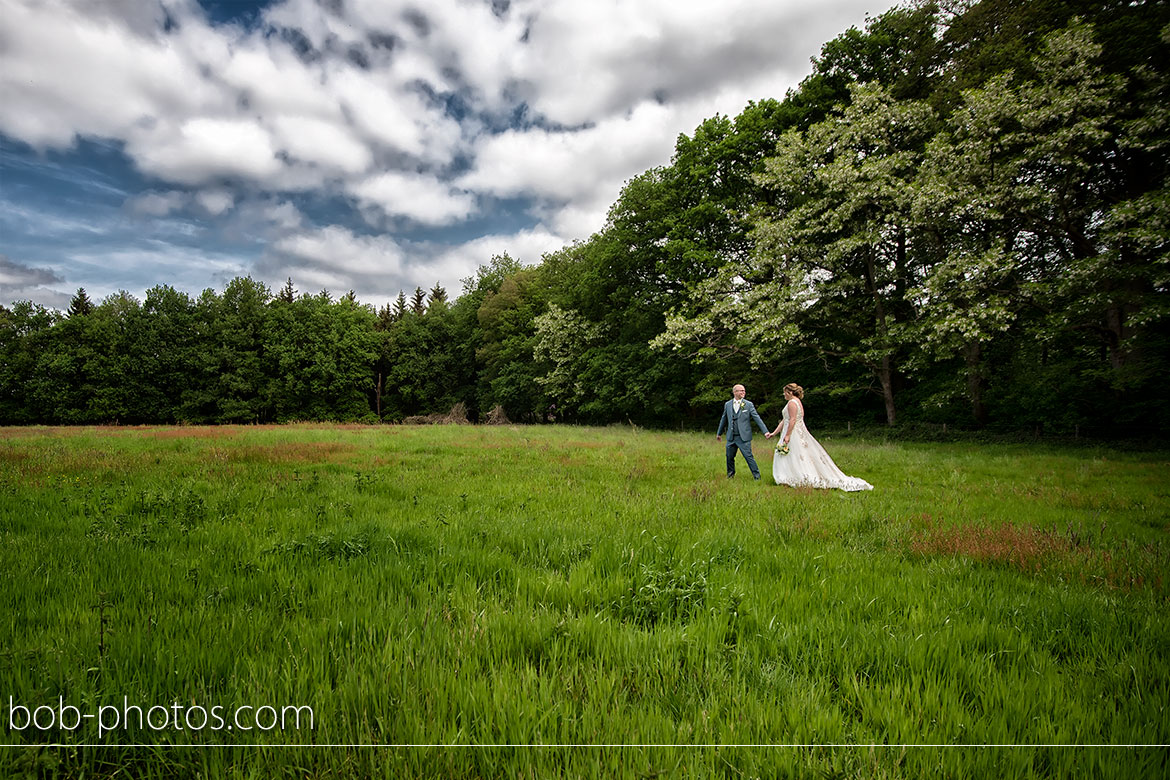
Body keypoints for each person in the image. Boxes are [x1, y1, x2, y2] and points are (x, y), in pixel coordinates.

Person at [765, 383, 873, 491]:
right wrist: (774, 433)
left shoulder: (792, 403)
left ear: (790, 392)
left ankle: (793, 477)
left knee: (793, 454)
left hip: (793, 433)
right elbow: (785, 420)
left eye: (785, 393)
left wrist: (788, 435)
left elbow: (792, 420)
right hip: (795, 431)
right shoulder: (797, 402)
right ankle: (789, 477)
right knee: (793, 455)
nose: (784, 395)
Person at [715, 384, 770, 480]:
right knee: (729, 457)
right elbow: (724, 419)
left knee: (749, 457)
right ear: (735, 392)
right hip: (731, 436)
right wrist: (719, 433)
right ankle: (730, 476)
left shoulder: (748, 404)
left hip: (743, 437)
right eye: (741, 391)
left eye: (744, 391)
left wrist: (765, 431)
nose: (743, 392)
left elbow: (757, 418)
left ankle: (757, 477)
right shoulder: (728, 404)